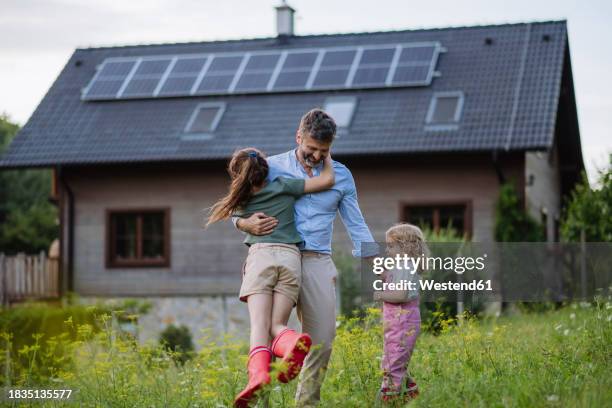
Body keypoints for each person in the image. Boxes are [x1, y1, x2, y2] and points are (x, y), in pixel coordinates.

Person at [234, 109, 377, 407]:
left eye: (323, 151)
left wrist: (377, 262)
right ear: (299, 137)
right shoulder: (270, 167)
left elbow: (356, 222)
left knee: (322, 339)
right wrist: (243, 224)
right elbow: (235, 203)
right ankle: (259, 398)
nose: (315, 155)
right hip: (274, 254)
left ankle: (306, 404)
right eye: (311, 148)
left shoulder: (340, 176)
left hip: (316, 260)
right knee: (265, 333)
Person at [206, 147, 336, 408]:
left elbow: (232, 214)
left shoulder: (240, 199)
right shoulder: (284, 185)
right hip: (290, 259)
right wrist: (327, 156)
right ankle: (292, 343)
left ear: (238, 176)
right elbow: (326, 181)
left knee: (259, 327)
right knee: (276, 324)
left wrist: (243, 222)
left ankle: (257, 377)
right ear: (267, 169)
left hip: (261, 257)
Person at [373, 223, 428, 402]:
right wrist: (382, 272)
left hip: (402, 322)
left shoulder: (405, 266)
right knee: (395, 361)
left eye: (390, 246)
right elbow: (392, 279)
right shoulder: (403, 265)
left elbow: (401, 294)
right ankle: (411, 398)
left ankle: (392, 400)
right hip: (399, 322)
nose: (387, 250)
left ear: (405, 246)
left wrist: (380, 294)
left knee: (392, 364)